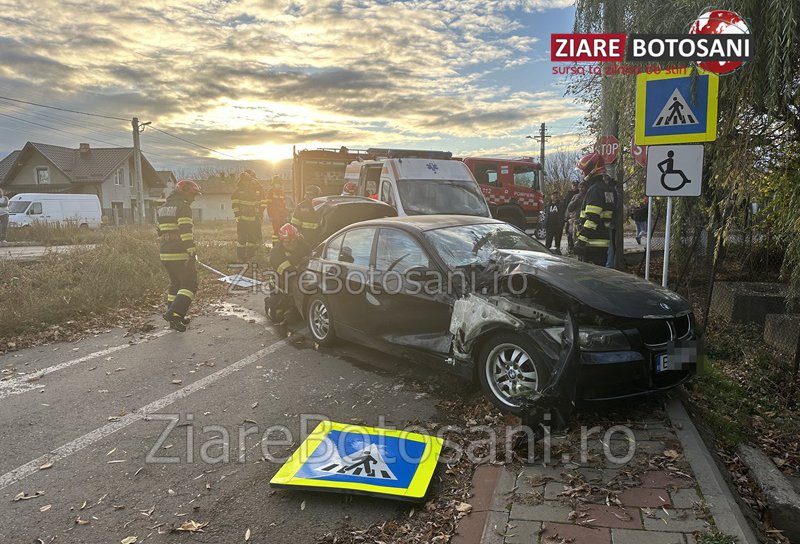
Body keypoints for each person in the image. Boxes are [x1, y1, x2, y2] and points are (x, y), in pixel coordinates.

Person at [157, 180, 202, 332]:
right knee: (190, 284)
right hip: (179, 253)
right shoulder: (183, 208)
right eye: (193, 194)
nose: (194, 198)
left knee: (176, 284)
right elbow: (185, 230)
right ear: (184, 191)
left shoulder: (162, 208)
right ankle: (174, 314)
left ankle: (174, 319)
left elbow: (159, 231)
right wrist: (191, 250)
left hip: (165, 252)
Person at [574, 153, 615, 266]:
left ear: (591, 170)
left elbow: (592, 219)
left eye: (583, 170)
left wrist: (581, 241)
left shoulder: (595, 190)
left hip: (592, 244)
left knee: (589, 279)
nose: (582, 173)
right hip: (602, 242)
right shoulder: (607, 189)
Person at [266, 223, 312, 325]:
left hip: (297, 285)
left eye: (293, 241)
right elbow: (290, 272)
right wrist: (300, 263)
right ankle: (269, 304)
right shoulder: (275, 253)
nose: (291, 244)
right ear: (281, 241)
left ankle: (292, 308)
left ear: (297, 239)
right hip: (280, 287)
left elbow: (312, 258)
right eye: (287, 241)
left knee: (294, 317)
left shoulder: (304, 246)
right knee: (277, 317)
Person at [231, 171, 264, 261]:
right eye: (244, 181)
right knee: (242, 239)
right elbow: (235, 205)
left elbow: (256, 203)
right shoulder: (237, 192)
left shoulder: (252, 191)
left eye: (248, 181)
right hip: (242, 220)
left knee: (252, 239)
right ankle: (241, 257)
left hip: (252, 219)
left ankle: (250, 256)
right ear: (241, 181)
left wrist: (257, 214)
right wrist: (237, 216)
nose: (246, 182)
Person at [264, 176, 288, 247]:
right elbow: (268, 205)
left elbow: (284, 205)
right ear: (273, 184)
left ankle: (281, 245)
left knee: (282, 230)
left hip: (282, 215)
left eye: (279, 184)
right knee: (276, 231)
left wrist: (285, 214)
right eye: (276, 184)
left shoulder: (282, 192)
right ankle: (275, 246)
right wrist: (270, 216)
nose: (278, 185)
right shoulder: (270, 192)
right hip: (274, 215)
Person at [565, 181, 587, 255]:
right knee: (575, 239)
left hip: (586, 221)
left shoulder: (588, 196)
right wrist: (575, 200)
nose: (581, 189)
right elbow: (569, 208)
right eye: (580, 187)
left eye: (583, 187)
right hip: (577, 221)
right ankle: (576, 253)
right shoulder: (575, 196)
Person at [562, 181, 580, 252]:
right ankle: (570, 247)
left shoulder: (580, 194)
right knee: (569, 232)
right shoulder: (568, 194)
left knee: (576, 233)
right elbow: (566, 206)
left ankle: (576, 247)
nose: (575, 187)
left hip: (577, 216)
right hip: (569, 216)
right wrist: (566, 217)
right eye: (573, 185)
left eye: (576, 185)